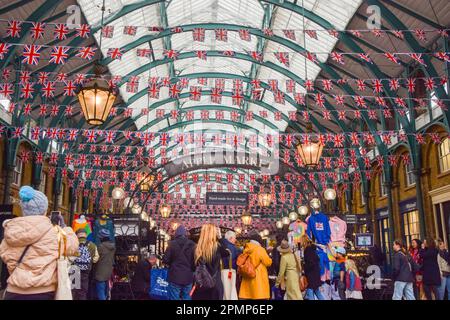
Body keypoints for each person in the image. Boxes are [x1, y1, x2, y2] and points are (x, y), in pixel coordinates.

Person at [0, 186, 78, 300]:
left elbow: (4, 255)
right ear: (45, 211)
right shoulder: (55, 233)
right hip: (43, 292)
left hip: (14, 291)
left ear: (23, 209)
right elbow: (72, 247)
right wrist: (65, 227)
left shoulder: (11, 231)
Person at [192, 224, 230, 300]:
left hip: (200, 284)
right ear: (214, 234)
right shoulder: (218, 247)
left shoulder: (196, 248)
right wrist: (220, 238)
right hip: (215, 284)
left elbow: (192, 267)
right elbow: (227, 253)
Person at [162, 225, 196, 300]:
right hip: (188, 276)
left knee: (174, 297)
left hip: (175, 276)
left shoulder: (172, 244)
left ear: (176, 234)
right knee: (187, 297)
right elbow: (195, 262)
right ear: (185, 234)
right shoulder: (193, 244)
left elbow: (165, 260)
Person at [238, 230, 272, 300]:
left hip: (247, 274)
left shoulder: (246, 249)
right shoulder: (260, 249)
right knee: (258, 295)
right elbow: (268, 262)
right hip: (258, 276)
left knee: (249, 296)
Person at [71, 229, 99, 300]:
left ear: (76, 235)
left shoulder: (73, 244)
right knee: (83, 290)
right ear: (85, 235)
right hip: (86, 270)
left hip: (74, 269)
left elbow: (69, 257)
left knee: (74, 289)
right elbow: (95, 259)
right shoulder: (92, 245)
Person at [300, 235, 325, 300]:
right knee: (317, 291)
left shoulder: (307, 250)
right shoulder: (312, 249)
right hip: (316, 274)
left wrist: (304, 266)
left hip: (311, 275)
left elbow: (310, 263)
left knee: (310, 291)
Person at [95, 229, 115, 300]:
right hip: (108, 273)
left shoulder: (100, 247)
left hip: (100, 273)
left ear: (102, 238)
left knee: (101, 293)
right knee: (106, 293)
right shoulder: (113, 247)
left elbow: (95, 258)